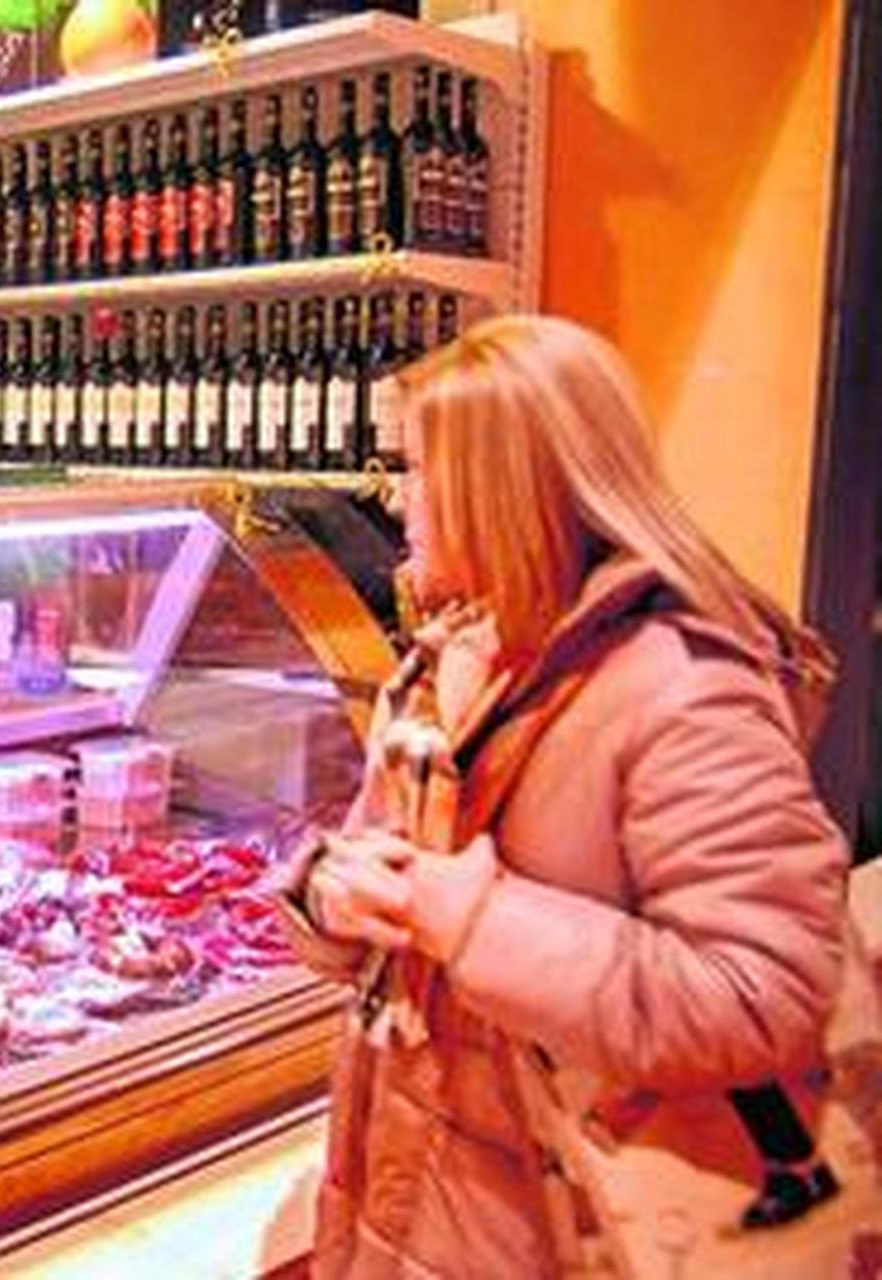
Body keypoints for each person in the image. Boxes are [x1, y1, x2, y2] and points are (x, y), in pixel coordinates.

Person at [277, 314, 849, 1276]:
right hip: (418, 1198)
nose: (398, 497)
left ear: (506, 484)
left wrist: (477, 921)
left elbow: (765, 999)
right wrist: (333, 895)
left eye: (419, 469)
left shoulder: (685, 686)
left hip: (582, 1227)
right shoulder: (449, 657)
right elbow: (377, 869)